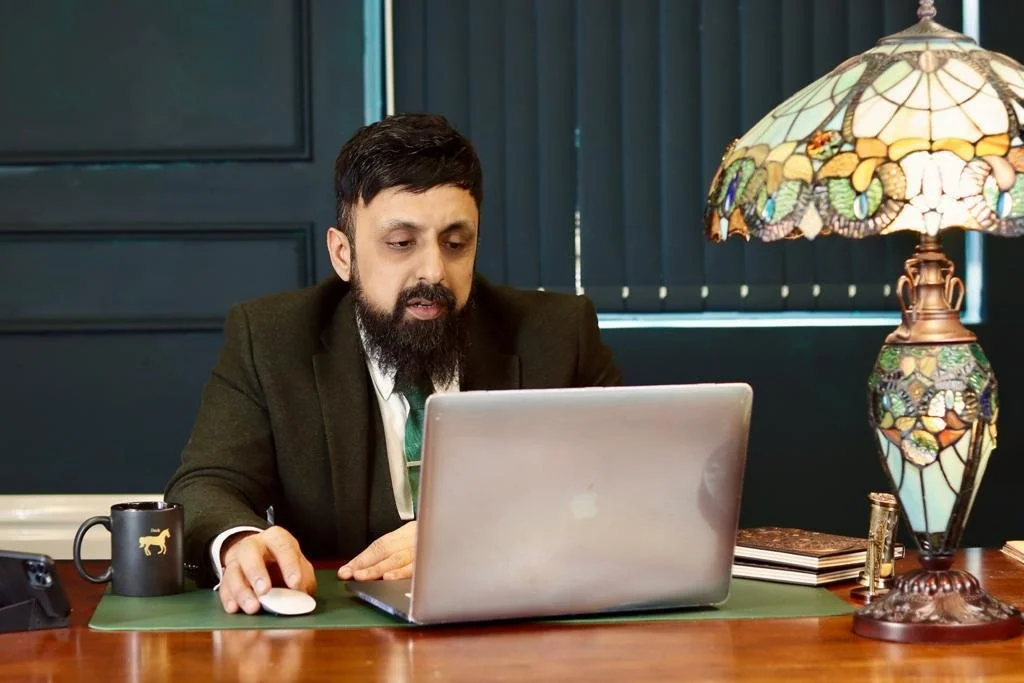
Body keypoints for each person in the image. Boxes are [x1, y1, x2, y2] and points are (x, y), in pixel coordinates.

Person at [164, 113, 621, 615]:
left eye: (455, 244)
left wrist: (473, 537)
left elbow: (625, 487)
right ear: (343, 254)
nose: (433, 272)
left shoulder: (558, 334)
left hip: (515, 630)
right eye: (401, 244)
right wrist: (238, 544)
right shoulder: (270, 338)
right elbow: (207, 484)